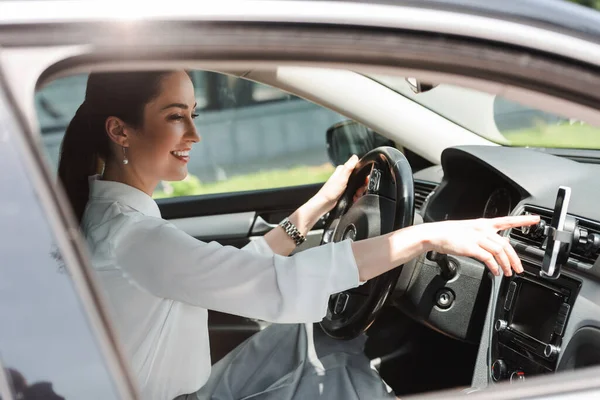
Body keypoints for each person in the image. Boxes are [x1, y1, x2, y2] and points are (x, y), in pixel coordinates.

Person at [57, 70, 539, 400]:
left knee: (321, 343)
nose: (194, 135)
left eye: (194, 114)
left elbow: (227, 273)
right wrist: (425, 238)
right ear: (121, 130)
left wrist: (317, 207)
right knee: (346, 367)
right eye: (174, 116)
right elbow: (274, 285)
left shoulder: (112, 220)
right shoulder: (134, 237)